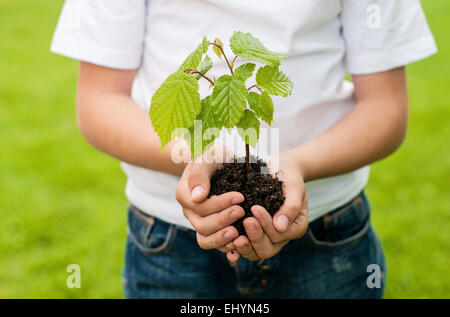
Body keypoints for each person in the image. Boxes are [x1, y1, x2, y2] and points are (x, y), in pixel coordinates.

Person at [51, 0, 437, 298]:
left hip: (327, 233)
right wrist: (198, 157)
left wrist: (299, 164)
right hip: (168, 242)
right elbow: (99, 100)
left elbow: (385, 106)